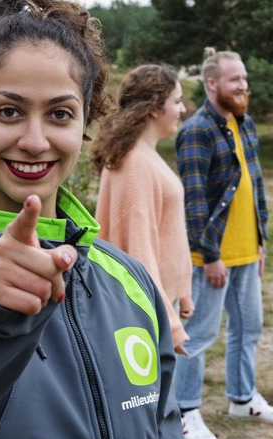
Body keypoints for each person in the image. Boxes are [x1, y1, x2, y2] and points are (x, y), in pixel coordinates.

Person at [0, 1, 184, 439]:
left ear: (84, 123)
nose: (34, 141)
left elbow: (164, 425)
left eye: (60, 114)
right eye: (9, 111)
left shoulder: (130, 280)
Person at [174, 51, 273, 439]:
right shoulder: (197, 131)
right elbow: (194, 202)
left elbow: (255, 187)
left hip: (246, 252)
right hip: (212, 257)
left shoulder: (245, 124)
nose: (243, 85)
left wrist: (260, 241)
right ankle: (185, 412)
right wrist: (210, 256)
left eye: (244, 78)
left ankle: (243, 400)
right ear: (212, 84)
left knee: (248, 328)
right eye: (234, 79)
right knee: (197, 336)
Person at [92, 64, 194, 356]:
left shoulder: (145, 155)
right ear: (154, 108)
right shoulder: (134, 164)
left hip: (160, 303)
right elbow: (139, 252)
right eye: (177, 101)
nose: (183, 109)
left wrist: (183, 292)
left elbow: (167, 230)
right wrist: (168, 326)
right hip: (147, 313)